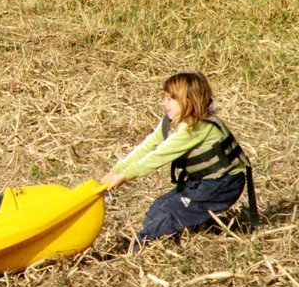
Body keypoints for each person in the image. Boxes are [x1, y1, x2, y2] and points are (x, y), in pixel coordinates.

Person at [100, 72, 258, 251]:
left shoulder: (197, 128)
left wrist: (125, 176)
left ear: (188, 101)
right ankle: (168, 237)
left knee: (169, 211)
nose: (164, 103)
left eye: (170, 99)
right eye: (164, 98)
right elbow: (147, 147)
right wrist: (116, 170)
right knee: (159, 205)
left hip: (223, 184)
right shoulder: (172, 122)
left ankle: (138, 248)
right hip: (201, 181)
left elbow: (158, 156)